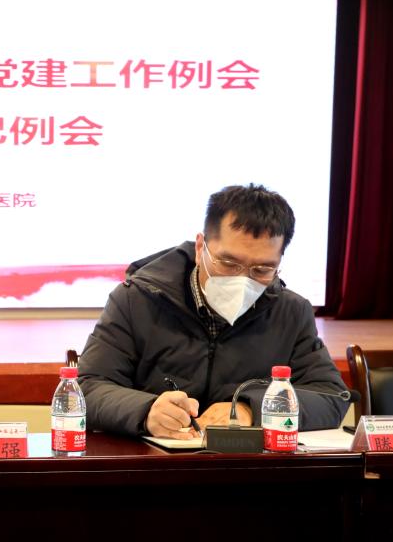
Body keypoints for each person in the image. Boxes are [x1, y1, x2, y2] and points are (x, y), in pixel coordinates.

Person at [77, 184, 349, 439]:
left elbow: (331, 396)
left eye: (262, 269)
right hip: (153, 466)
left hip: (248, 467)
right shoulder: (137, 299)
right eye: (228, 263)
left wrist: (252, 409)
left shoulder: (291, 312)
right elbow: (88, 389)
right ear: (200, 248)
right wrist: (146, 411)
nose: (243, 281)